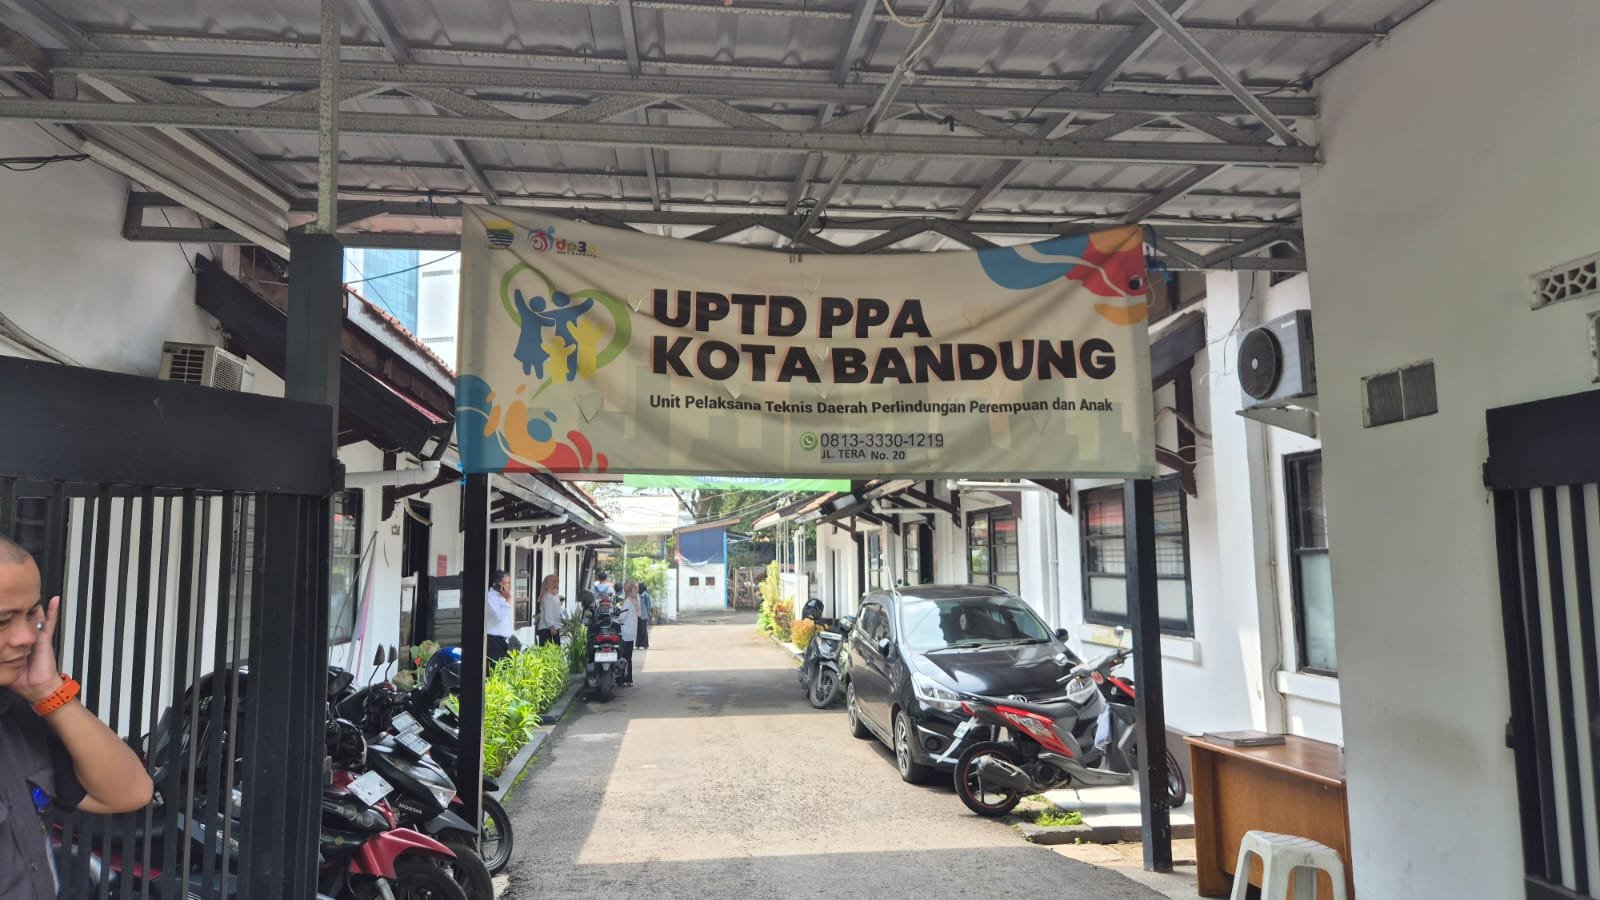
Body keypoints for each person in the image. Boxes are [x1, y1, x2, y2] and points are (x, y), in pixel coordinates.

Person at [0, 534, 153, 898]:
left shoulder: (16, 717)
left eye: (32, 614)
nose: (26, 637)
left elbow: (129, 792)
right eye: (3, 621)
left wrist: (49, 691)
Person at [486, 569, 514, 664]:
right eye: (505, 583)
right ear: (496, 584)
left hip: (505, 639)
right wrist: (508, 600)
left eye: (509, 583)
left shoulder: (503, 597)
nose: (508, 586)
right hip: (494, 639)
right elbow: (498, 616)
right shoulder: (490, 597)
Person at [616, 582, 640, 686]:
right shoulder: (635, 601)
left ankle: (621, 680)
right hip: (632, 632)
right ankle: (629, 679)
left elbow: (622, 617)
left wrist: (614, 620)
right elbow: (639, 615)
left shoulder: (627, 601)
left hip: (625, 632)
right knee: (628, 657)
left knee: (622, 657)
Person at [535, 574, 563, 647]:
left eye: (557, 581)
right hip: (548, 629)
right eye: (553, 581)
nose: (556, 583)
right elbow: (548, 612)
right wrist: (552, 627)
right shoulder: (547, 596)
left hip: (553, 628)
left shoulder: (554, 595)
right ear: (548, 583)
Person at [636, 585, 652, 650]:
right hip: (639, 614)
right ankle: (638, 644)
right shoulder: (638, 595)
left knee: (643, 630)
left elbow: (649, 605)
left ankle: (644, 644)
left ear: (641, 588)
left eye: (638, 587)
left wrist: (648, 613)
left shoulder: (645, 595)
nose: (637, 588)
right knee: (639, 630)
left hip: (644, 615)